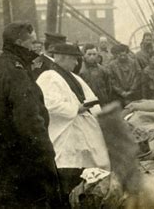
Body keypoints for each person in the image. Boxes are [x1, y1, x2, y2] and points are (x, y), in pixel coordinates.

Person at [0, 22, 60, 207]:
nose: (35, 47)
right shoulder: (17, 71)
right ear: (21, 42)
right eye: (33, 41)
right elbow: (29, 120)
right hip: (20, 160)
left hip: (0, 159)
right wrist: (46, 155)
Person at [36, 43, 110, 206]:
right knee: (68, 174)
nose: (77, 64)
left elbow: (91, 98)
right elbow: (49, 104)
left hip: (82, 133)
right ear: (61, 58)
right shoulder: (49, 77)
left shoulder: (73, 77)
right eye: (74, 60)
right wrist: (76, 108)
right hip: (65, 135)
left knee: (86, 175)